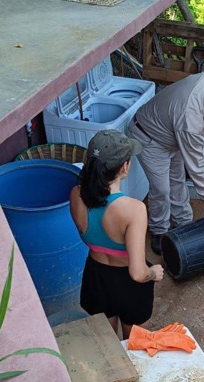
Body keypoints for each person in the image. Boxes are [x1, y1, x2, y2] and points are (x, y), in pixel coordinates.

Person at [129, 73, 204, 254]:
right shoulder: (190, 121)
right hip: (149, 136)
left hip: (171, 132)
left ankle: (183, 222)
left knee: (177, 179)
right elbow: (197, 166)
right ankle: (159, 231)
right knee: (161, 189)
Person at [70, 130, 164, 339]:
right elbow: (138, 273)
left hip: (95, 277)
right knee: (135, 347)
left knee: (109, 348)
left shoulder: (76, 194)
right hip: (129, 286)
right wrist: (154, 272)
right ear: (124, 167)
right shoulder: (134, 209)